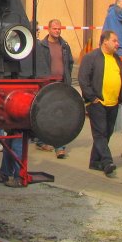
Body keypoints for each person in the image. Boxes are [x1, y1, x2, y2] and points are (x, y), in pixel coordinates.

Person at [78, 30, 122, 177]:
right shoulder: (91, 57)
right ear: (105, 41)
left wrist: (121, 97)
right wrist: (92, 98)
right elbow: (83, 79)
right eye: (115, 41)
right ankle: (107, 161)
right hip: (97, 103)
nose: (118, 44)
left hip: (113, 103)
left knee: (107, 132)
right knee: (100, 133)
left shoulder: (116, 58)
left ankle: (94, 161)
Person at [36, 18, 75, 158]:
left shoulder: (65, 45)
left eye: (59, 29)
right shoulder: (42, 46)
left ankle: (60, 146)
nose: (57, 31)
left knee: (61, 114)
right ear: (48, 29)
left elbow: (70, 62)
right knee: (45, 113)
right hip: (46, 86)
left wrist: (67, 77)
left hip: (62, 85)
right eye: (55, 29)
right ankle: (41, 140)